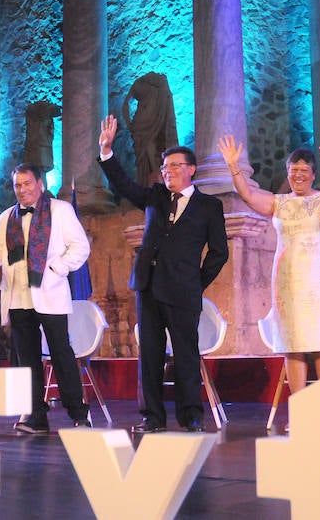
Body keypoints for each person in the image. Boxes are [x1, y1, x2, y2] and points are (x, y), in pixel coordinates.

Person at [98, 115, 229, 433]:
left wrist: (196, 283)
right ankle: (151, 417)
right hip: (148, 286)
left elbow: (219, 252)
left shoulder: (209, 206)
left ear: (191, 169)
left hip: (183, 290)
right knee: (151, 355)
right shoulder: (155, 195)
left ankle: (191, 416)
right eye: (164, 167)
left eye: (174, 166)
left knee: (186, 354)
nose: (167, 172)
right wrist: (107, 152)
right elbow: (124, 185)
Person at [217, 133, 320, 409]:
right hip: (288, 284)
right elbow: (248, 194)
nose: (298, 176)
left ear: (313, 174)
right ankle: (301, 412)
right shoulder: (280, 203)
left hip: (319, 283)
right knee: (294, 347)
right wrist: (234, 167)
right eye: (293, 172)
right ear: (287, 174)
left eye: (304, 171)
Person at [0, 163, 92, 433]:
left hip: (49, 293)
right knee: (26, 358)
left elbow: (80, 246)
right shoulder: (6, 216)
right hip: (17, 295)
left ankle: (78, 414)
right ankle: (35, 417)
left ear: (40, 184)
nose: (22, 190)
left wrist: (57, 268)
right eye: (17, 185)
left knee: (61, 354)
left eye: (27, 183)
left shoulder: (60, 210)